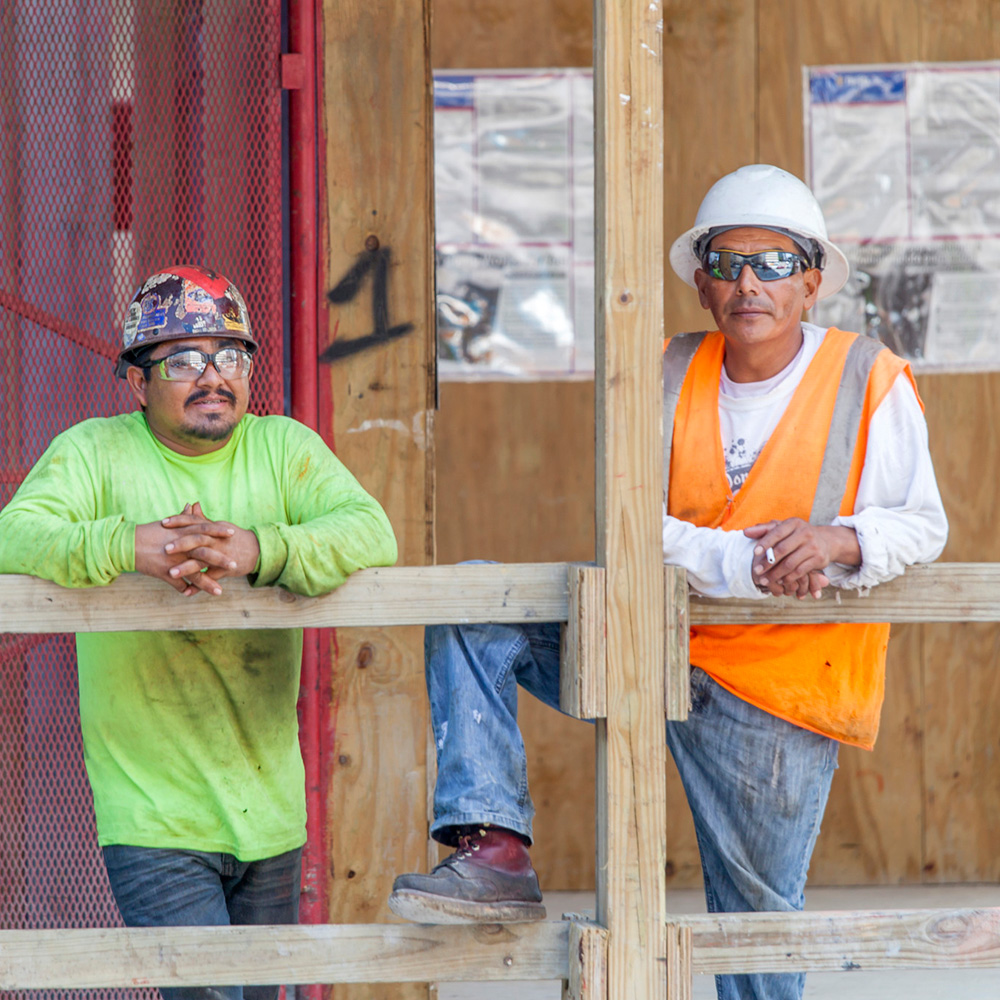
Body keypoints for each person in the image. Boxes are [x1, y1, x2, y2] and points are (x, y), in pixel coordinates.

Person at [388, 165, 948, 1000]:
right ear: (701, 284)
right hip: (652, 645)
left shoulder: (871, 376)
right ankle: (494, 849)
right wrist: (744, 564)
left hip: (783, 683)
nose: (748, 283)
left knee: (753, 936)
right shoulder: (665, 369)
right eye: (727, 264)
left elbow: (923, 525)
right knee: (475, 603)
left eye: (773, 263)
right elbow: (630, 522)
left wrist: (841, 539)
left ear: (812, 282)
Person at [0, 265, 398, 1000]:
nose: (213, 376)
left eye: (230, 357)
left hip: (271, 811)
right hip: (154, 815)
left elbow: (372, 532)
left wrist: (259, 549)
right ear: (137, 382)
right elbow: (13, 536)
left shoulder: (283, 447)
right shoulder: (94, 451)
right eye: (183, 359)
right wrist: (128, 546)